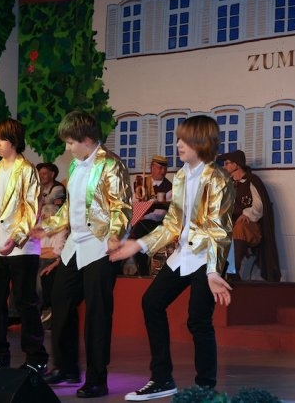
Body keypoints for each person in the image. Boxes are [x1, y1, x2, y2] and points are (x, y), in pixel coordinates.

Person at [109, 115, 235, 401]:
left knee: (198, 321)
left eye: (185, 140)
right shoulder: (181, 176)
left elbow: (219, 230)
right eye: (178, 139)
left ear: (201, 142)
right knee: (151, 302)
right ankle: (162, 378)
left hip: (207, 256)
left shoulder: (219, 179)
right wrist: (138, 245)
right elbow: (172, 224)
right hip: (184, 253)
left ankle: (205, 389)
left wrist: (214, 271)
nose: (178, 144)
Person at [32, 110, 132, 399]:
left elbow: (122, 206)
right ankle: (66, 368)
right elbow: (69, 208)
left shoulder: (111, 164)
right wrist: (45, 227)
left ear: (87, 139)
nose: (68, 148)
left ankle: (98, 378)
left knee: (98, 313)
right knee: (61, 301)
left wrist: (115, 235)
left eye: (71, 142)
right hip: (75, 246)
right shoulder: (76, 166)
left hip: (100, 247)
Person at [0, 118, 48, 374]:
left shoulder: (27, 169)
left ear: (14, 141)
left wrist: (15, 239)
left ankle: (36, 356)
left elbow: (32, 209)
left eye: (1, 139)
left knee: (25, 302)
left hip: (22, 248)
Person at [217, 150, 281, 282]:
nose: (224, 166)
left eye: (227, 163)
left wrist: (246, 214)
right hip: (231, 225)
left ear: (236, 165)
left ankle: (233, 272)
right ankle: (216, 273)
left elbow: (259, 206)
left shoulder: (252, 181)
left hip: (251, 227)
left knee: (240, 227)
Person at [123, 155, 173, 276]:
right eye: (160, 168)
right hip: (138, 220)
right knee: (125, 228)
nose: (163, 171)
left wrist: (145, 216)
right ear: (152, 168)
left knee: (138, 231)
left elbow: (161, 213)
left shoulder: (169, 187)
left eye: (165, 168)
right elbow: (134, 202)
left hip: (156, 222)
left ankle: (137, 264)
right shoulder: (142, 182)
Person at [37, 203, 68, 327]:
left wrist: (43, 251)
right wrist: (46, 250)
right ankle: (15, 313)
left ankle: (43, 310)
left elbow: (56, 253)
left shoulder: (62, 230)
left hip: (53, 261)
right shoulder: (40, 229)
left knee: (41, 275)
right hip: (38, 259)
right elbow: (35, 250)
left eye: (47, 218)